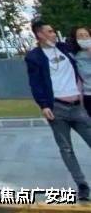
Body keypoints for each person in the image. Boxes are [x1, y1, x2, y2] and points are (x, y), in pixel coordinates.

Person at [25, 20, 91, 201]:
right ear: (40, 34)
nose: (54, 34)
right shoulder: (34, 57)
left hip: (77, 107)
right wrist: (43, 105)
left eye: (54, 31)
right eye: (50, 32)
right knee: (66, 149)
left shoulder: (64, 48)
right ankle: (82, 185)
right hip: (57, 108)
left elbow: (82, 42)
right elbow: (35, 83)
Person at [68, 26, 91, 117]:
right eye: (80, 36)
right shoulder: (75, 56)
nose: (84, 38)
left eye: (87, 35)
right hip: (88, 94)